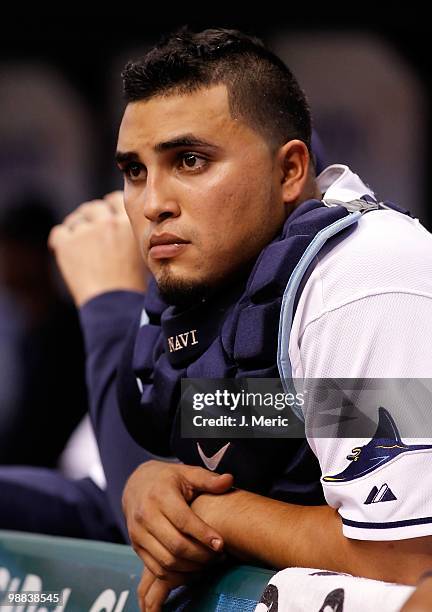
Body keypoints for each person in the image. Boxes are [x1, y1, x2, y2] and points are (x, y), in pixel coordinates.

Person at [49, 27, 432, 610]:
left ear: (289, 172)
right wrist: (154, 484)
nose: (153, 202)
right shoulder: (221, 294)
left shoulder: (363, 275)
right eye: (133, 172)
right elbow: (273, 417)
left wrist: (216, 512)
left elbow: (411, 557)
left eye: (191, 160)